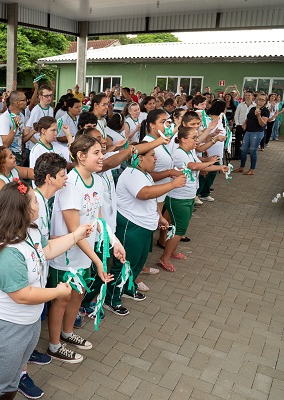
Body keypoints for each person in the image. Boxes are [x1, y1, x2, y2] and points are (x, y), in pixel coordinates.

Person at [0, 180, 92, 400]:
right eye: (35, 200)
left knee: (13, 375)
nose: (39, 203)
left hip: (25, 320)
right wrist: (58, 292)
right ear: (22, 210)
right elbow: (22, 295)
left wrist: (76, 235)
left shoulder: (29, 230)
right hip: (2, 324)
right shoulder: (5, 252)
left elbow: (47, 249)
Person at [47, 135, 124, 363]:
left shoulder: (97, 181)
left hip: (85, 254)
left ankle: (67, 333)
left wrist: (114, 242)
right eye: (97, 153)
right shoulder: (71, 185)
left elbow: (97, 220)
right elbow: (74, 233)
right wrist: (99, 261)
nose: (103, 157)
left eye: (102, 152)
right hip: (67, 256)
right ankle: (54, 345)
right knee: (62, 299)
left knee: (78, 294)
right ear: (81, 156)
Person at [104, 148, 186, 314]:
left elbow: (151, 200)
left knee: (138, 262)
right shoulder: (132, 174)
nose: (155, 159)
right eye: (152, 155)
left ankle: (127, 288)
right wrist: (172, 184)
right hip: (131, 225)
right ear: (140, 158)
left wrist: (159, 217)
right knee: (124, 264)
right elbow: (144, 194)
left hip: (143, 226)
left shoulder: (145, 173)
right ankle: (112, 299)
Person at [158, 127, 229, 271]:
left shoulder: (189, 151)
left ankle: (171, 252)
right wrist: (210, 163)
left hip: (188, 196)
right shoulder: (178, 153)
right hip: (178, 198)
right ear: (183, 139)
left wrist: (219, 167)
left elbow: (200, 165)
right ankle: (164, 258)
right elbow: (195, 166)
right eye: (194, 138)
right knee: (178, 229)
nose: (197, 140)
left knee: (180, 229)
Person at [0, 147, 33, 223]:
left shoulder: (13, 170)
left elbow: (28, 172)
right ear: (2, 163)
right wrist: (33, 194)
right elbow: (12, 199)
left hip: (6, 219)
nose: (14, 157)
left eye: (12, 155)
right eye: (10, 157)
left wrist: (44, 176)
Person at [233, 93, 269, 175]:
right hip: (248, 132)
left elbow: (262, 124)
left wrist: (259, 116)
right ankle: (241, 167)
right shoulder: (253, 108)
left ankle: (252, 169)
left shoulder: (265, 111)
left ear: (265, 102)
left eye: (263, 100)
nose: (260, 101)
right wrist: (244, 123)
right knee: (243, 150)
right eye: (259, 99)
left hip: (257, 133)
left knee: (252, 151)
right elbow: (248, 118)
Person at [0, 91, 30, 165]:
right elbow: (5, 144)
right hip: (7, 157)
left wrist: (34, 131)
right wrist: (14, 127)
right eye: (24, 100)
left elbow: (21, 139)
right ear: (17, 103)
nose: (27, 101)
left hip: (18, 155)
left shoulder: (21, 115)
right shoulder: (4, 118)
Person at [232, 91, 255, 160]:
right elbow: (236, 115)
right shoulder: (240, 105)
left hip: (250, 126)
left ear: (252, 97)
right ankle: (236, 155)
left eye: (249, 95)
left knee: (246, 142)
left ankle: (243, 155)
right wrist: (237, 124)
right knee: (237, 140)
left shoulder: (255, 106)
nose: (247, 97)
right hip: (240, 125)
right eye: (246, 95)